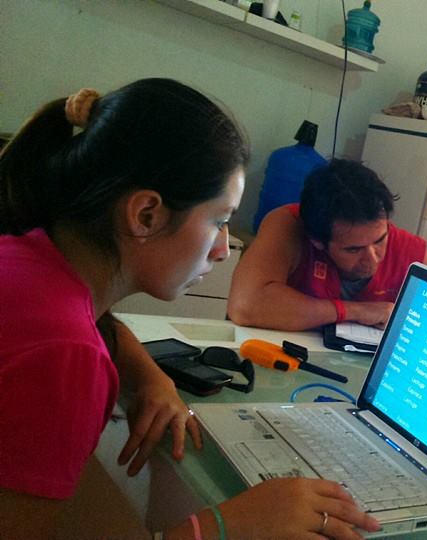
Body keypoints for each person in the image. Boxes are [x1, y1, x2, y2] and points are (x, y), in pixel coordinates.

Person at [0, 81, 379, 539]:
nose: (222, 249)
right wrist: (224, 525)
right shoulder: (68, 357)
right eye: (219, 220)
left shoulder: (27, 257)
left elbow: (93, 327)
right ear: (145, 215)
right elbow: (70, 348)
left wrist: (151, 377)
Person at [228, 159, 427, 331]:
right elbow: (245, 306)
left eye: (379, 240)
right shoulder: (288, 225)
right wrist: (357, 311)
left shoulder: (405, 246)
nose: (372, 258)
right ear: (317, 241)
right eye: (353, 249)